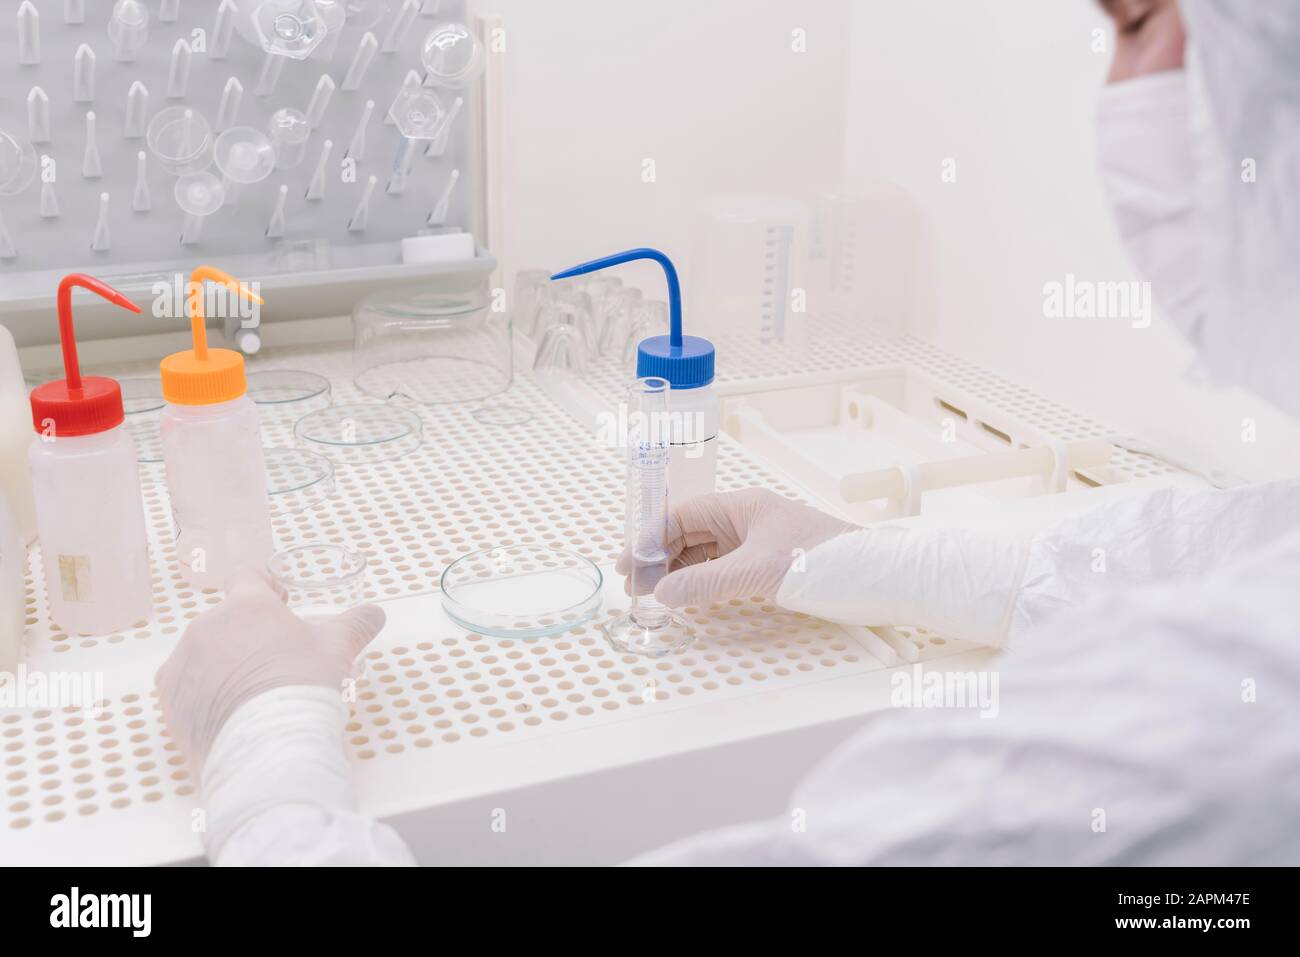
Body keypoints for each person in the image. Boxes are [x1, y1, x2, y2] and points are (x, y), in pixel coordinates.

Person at [157, 0, 1300, 866]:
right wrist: (849, 555)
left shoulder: (1218, 743)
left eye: (1144, 17)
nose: (1124, 82)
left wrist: (267, 758)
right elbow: (1209, 562)